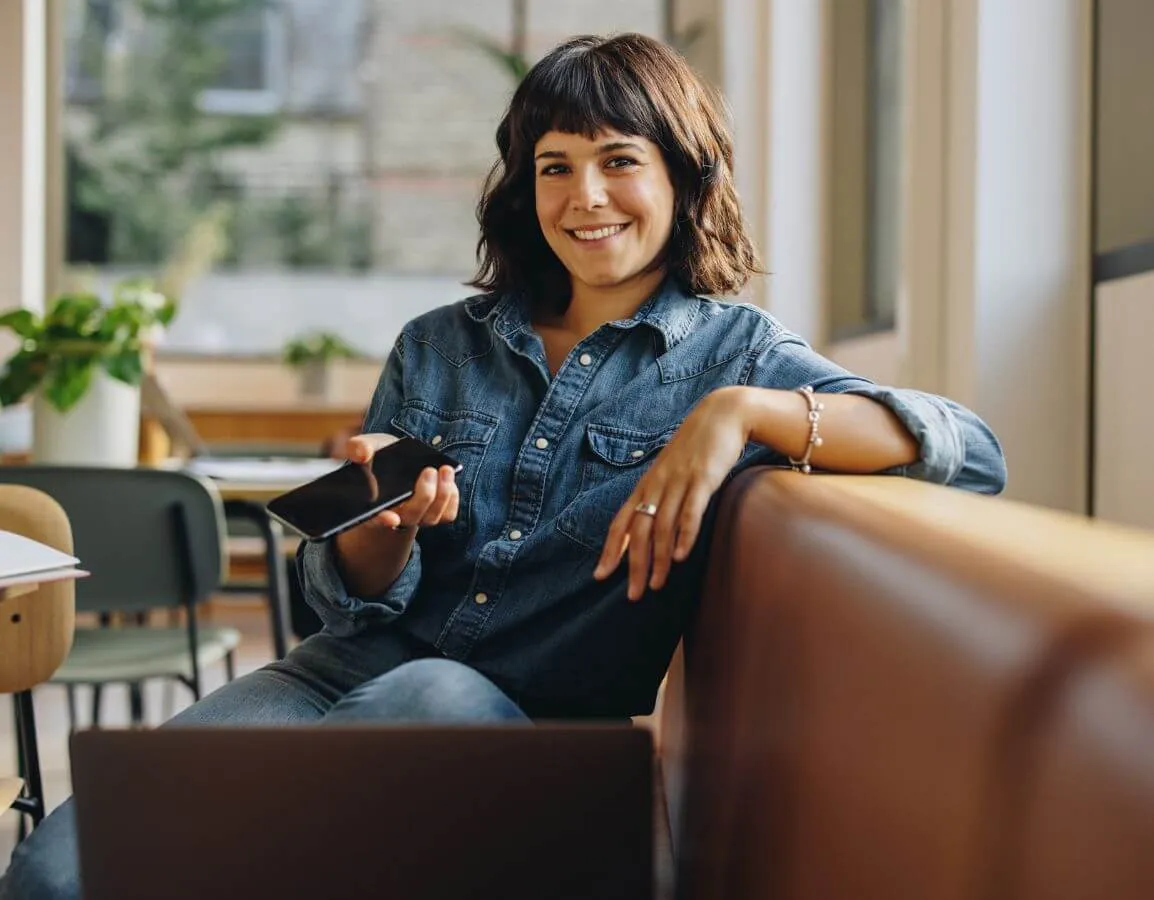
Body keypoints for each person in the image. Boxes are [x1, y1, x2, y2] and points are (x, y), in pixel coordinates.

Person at [1, 32, 1006, 899]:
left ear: (680, 176)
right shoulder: (435, 345)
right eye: (555, 166)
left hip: (526, 720)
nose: (586, 197)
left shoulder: (734, 355)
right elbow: (343, 606)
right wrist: (375, 535)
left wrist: (739, 412)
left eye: (619, 160)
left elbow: (967, 452)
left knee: (403, 717)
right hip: (337, 677)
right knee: (57, 869)